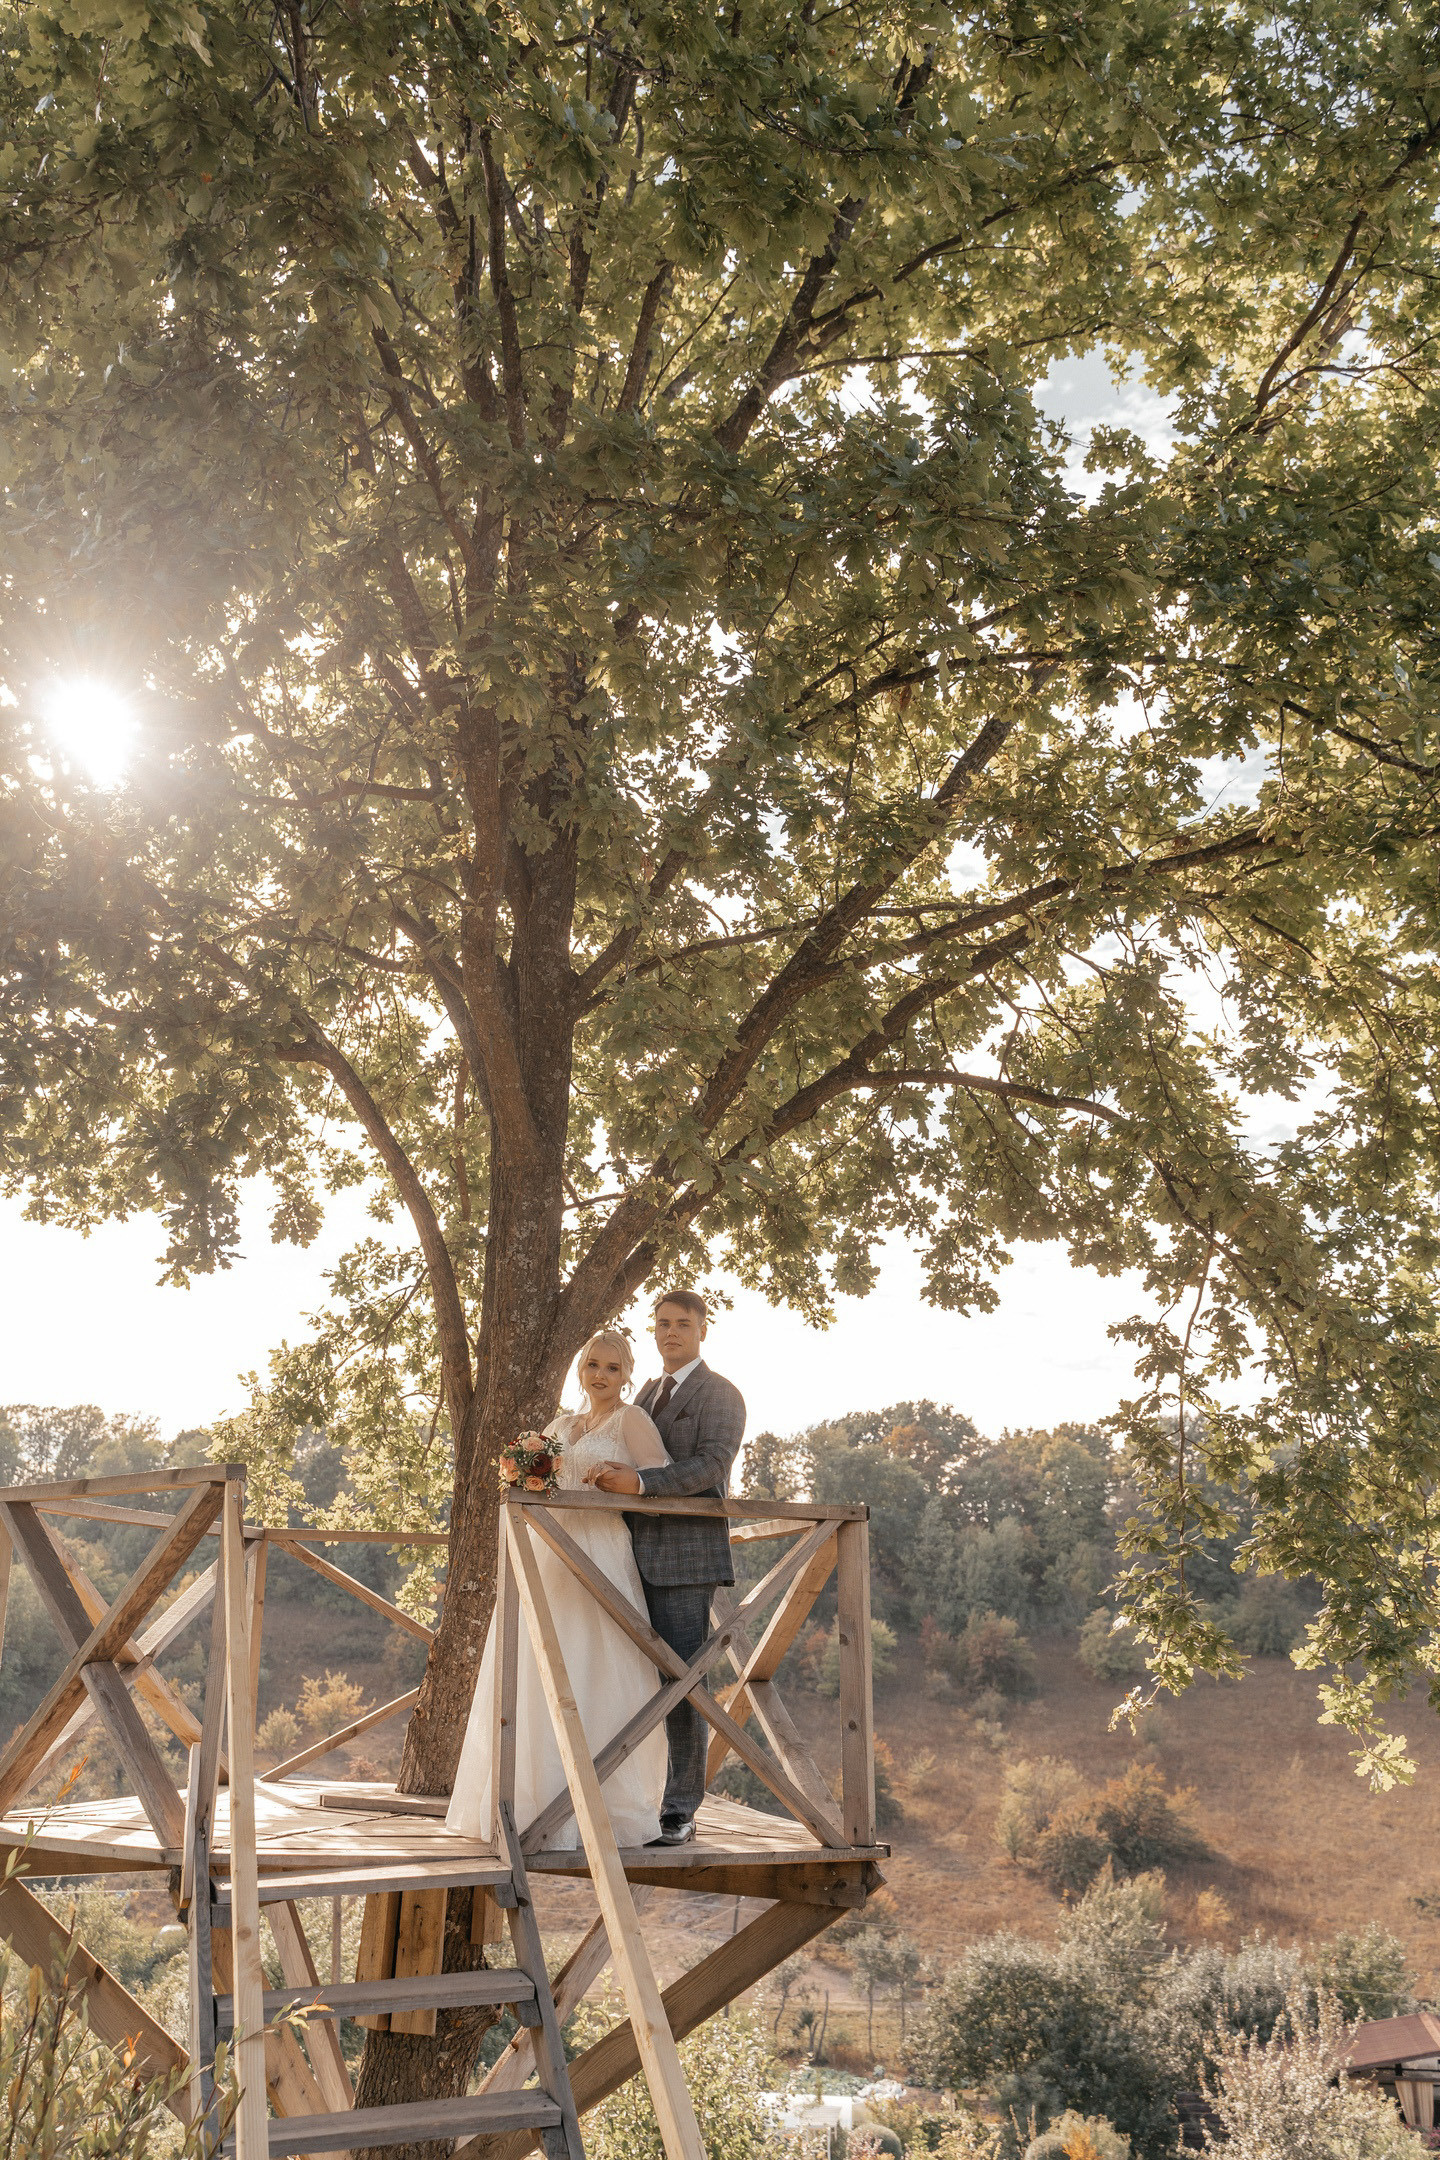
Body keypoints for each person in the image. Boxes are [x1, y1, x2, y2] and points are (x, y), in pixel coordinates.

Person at [444, 1330, 671, 1849]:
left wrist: (621, 1479)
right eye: (593, 1364)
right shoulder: (561, 1426)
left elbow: (658, 1477)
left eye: (612, 1368)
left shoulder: (631, 1420)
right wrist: (523, 1473)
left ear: (626, 1374)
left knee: (598, 1663)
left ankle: (601, 1805)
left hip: (601, 1550)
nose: (600, 1376)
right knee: (539, 1661)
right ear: (580, 1369)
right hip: (551, 1549)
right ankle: (530, 1800)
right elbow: (530, 1483)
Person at [587, 1289, 746, 1846]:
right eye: (661, 1325)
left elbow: (710, 1467)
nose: (671, 1333)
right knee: (629, 1680)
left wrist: (640, 1483)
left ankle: (680, 1809)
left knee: (681, 1684)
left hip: (685, 1557)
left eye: (682, 1324)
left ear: (703, 1330)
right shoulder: (646, 1393)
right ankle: (627, 1796)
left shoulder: (721, 1394)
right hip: (628, 1555)